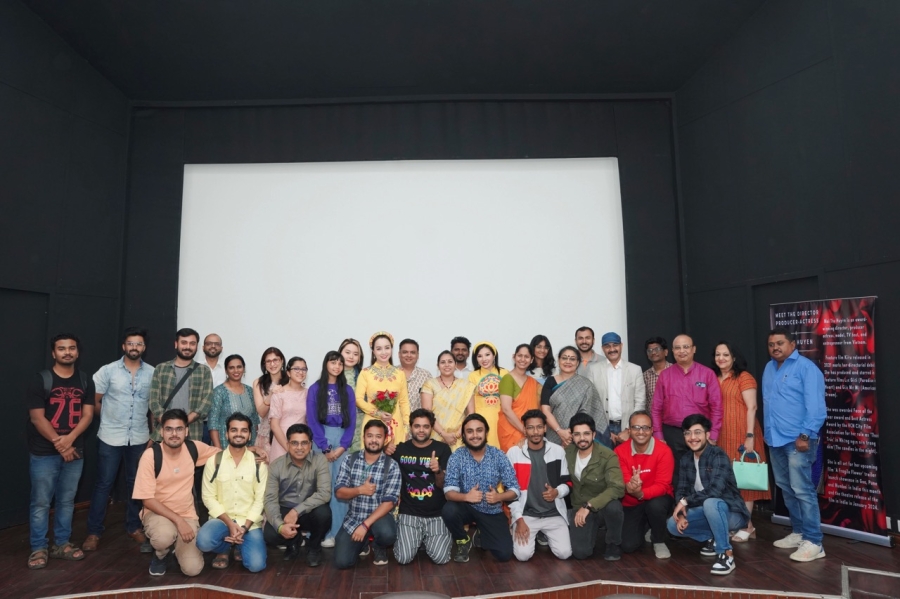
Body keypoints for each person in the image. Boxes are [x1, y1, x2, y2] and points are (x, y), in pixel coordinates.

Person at [26, 333, 96, 570]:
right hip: (44, 452)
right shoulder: (41, 380)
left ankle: (62, 543)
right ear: (53, 353)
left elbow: (88, 415)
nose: (68, 352)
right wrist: (60, 443)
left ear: (78, 352)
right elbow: (37, 418)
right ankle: (38, 547)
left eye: (72, 348)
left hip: (75, 451)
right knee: (41, 502)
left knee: (67, 501)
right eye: (62, 348)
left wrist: (70, 441)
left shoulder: (85, 380)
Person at [84, 327, 154, 553]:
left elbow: (154, 408)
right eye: (131, 343)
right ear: (124, 346)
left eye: (139, 343)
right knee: (104, 484)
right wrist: (108, 418)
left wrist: (153, 435)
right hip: (110, 436)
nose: (135, 347)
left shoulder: (152, 373)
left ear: (144, 347)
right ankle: (94, 532)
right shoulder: (108, 371)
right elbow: (94, 401)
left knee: (136, 484)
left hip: (139, 437)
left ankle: (134, 527)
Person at [763, 327, 827, 562]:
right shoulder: (769, 368)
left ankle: (814, 542)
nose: (775, 348)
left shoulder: (807, 368)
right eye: (771, 344)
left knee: (802, 489)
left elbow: (816, 407)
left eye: (780, 343)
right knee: (786, 487)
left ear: (792, 344)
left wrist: (806, 435)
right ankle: (799, 532)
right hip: (775, 439)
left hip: (798, 440)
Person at [132, 409, 220, 576]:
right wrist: (179, 521)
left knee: (193, 570)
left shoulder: (194, 448)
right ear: (161, 432)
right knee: (163, 537)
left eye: (179, 429)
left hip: (187, 515)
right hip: (157, 514)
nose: (174, 434)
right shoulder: (151, 456)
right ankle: (161, 554)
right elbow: (147, 500)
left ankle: (175, 547)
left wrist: (251, 450)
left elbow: (225, 455)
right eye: (169, 429)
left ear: (186, 431)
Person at [666, 414, 750, 576]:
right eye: (688, 433)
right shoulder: (685, 460)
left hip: (732, 513)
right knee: (672, 525)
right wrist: (682, 514)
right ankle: (713, 536)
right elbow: (681, 490)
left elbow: (715, 491)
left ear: (707, 434)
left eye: (697, 432)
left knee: (711, 502)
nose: (693, 437)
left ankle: (725, 554)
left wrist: (685, 501)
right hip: (705, 512)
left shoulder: (718, 455)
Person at [442, 413, 520, 563]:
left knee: (504, 554)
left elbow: (515, 490)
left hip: (491, 510)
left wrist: (499, 497)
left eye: (479, 430)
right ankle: (462, 540)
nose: (475, 435)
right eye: (470, 431)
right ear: (464, 435)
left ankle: (481, 532)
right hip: (466, 508)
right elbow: (448, 492)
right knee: (449, 510)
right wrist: (466, 497)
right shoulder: (457, 456)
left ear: (486, 433)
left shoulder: (499, 455)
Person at [711, 341, 769, 543]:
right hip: (722, 437)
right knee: (727, 483)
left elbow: (752, 407)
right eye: (717, 354)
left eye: (726, 355)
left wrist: (749, 436)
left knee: (745, 482)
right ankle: (736, 523)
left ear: (734, 357)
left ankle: (747, 525)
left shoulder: (744, 377)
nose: (721, 358)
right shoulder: (714, 378)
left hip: (743, 436)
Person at [197, 413, 268, 572]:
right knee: (204, 542)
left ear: (250, 435)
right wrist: (230, 524)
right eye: (234, 430)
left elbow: (260, 500)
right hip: (222, 520)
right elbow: (208, 497)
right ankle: (224, 548)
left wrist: (244, 527)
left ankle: (239, 545)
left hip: (249, 523)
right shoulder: (214, 461)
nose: (238, 434)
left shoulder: (258, 464)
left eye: (244, 430)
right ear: (227, 434)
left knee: (256, 566)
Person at [651, 334, 722, 480]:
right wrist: (658, 435)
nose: (682, 351)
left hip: (700, 433)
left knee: (702, 475)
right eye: (677, 348)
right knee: (675, 475)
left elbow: (717, 407)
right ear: (672, 351)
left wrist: (713, 434)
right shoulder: (665, 376)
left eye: (686, 347)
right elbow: (656, 408)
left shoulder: (707, 374)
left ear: (694, 349)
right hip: (672, 434)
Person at [333, 420, 402, 569]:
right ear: (363, 437)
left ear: (385, 439)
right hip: (354, 517)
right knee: (342, 562)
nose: (373, 440)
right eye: (370, 436)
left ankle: (378, 546)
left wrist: (365, 525)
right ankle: (363, 543)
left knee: (388, 534)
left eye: (378, 436)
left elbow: (390, 502)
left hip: (380, 517)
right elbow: (339, 492)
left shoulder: (392, 465)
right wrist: (360, 490)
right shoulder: (350, 459)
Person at [506, 409, 572, 561]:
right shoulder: (514, 453)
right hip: (526, 515)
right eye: (530, 428)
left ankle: (544, 534)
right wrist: (519, 519)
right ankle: (524, 531)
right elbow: (509, 492)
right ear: (524, 430)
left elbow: (567, 483)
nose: (535, 432)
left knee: (564, 554)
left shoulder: (557, 451)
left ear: (545, 428)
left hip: (554, 514)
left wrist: (557, 492)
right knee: (523, 556)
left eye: (539, 427)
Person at [306, 351, 356, 548]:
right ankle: (319, 532)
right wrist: (325, 447)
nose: (336, 366)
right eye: (333, 362)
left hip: (342, 438)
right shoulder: (315, 388)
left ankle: (335, 533)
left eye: (340, 363)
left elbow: (352, 421)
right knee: (321, 487)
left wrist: (343, 446)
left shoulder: (347, 390)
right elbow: (312, 419)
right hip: (321, 437)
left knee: (339, 488)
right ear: (326, 364)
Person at [264, 423, 332, 566]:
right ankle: (293, 542)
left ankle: (314, 547)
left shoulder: (320, 460)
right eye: (294, 443)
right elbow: (270, 500)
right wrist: (280, 526)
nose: (299, 448)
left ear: (310, 444)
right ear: (287, 444)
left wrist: (296, 511)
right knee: (270, 534)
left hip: (309, 510)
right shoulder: (276, 466)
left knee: (324, 514)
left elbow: (324, 493)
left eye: (304, 443)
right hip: (285, 509)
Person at [392, 409, 453, 565]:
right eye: (417, 426)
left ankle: (427, 539)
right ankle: (418, 538)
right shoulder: (400, 450)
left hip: (436, 514)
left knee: (441, 558)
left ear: (431, 428)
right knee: (403, 558)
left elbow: (444, 486)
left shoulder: (443, 449)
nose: (421, 430)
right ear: (411, 427)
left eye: (426, 426)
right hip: (409, 513)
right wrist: (386, 448)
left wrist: (437, 470)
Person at [614, 410, 674, 559]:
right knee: (628, 545)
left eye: (645, 427)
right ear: (629, 430)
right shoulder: (619, 452)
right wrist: (630, 486)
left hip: (657, 499)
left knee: (655, 506)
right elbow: (623, 480)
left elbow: (663, 485)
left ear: (652, 430)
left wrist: (641, 493)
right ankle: (648, 525)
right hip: (631, 502)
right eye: (636, 427)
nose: (641, 432)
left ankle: (658, 540)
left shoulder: (664, 451)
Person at [565, 412, 625, 560]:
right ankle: (591, 532)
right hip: (579, 508)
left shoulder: (608, 455)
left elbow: (617, 488)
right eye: (577, 434)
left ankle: (613, 543)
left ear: (593, 434)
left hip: (602, 507)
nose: (582, 438)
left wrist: (589, 505)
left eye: (586, 433)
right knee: (581, 553)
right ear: (572, 436)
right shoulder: (567, 453)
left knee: (614, 506)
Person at [148, 328, 213, 442]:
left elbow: (206, 402)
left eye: (192, 343)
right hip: (163, 433)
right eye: (184, 342)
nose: (188, 347)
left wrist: (182, 422)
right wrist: (169, 423)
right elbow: (153, 400)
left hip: (193, 433)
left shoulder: (204, 371)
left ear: (197, 347)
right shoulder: (161, 369)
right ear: (176, 344)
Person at [541, 346, 608, 447]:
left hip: (578, 436)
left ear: (577, 363)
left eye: (572, 359)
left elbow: (587, 411)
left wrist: (571, 433)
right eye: (564, 358)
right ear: (559, 360)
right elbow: (545, 410)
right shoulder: (550, 381)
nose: (568, 362)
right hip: (554, 433)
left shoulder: (586, 384)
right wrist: (560, 431)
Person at [587, 332, 646, 445]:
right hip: (602, 429)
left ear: (621, 346)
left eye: (615, 345)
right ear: (602, 349)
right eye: (607, 346)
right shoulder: (593, 370)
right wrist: (604, 430)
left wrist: (629, 429)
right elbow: (590, 402)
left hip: (628, 428)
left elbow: (640, 402)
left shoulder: (635, 370)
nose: (612, 349)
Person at [355, 331, 410, 452]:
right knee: (372, 458)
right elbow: (358, 400)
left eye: (387, 348)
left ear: (392, 349)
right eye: (379, 349)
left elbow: (404, 401)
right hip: (373, 423)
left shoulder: (400, 373)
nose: (384, 352)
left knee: (396, 459)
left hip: (396, 424)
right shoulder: (365, 373)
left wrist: (407, 427)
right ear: (373, 351)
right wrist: (378, 413)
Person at [421, 350, 475, 450]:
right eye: (443, 362)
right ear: (438, 366)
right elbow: (427, 413)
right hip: (435, 435)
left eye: (450, 362)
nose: (447, 365)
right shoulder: (429, 384)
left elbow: (471, 413)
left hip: (459, 437)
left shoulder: (466, 386)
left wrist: (458, 433)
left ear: (455, 364)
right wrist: (443, 434)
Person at [208, 355, 258, 449]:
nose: (236, 370)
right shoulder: (219, 392)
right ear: (226, 371)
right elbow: (213, 423)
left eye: (239, 367)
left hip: (248, 444)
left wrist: (254, 445)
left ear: (244, 369)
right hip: (225, 443)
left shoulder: (250, 391)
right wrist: (218, 449)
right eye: (231, 368)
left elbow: (254, 420)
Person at [498, 344, 541, 452]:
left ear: (531, 359)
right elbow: (506, 409)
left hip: (530, 430)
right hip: (510, 429)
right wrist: (524, 430)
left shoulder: (533, 382)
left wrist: (530, 430)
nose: (522, 359)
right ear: (514, 357)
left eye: (526, 357)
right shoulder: (507, 379)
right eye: (520, 355)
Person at [467, 341, 509, 448]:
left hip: (502, 418)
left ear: (494, 355)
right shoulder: (473, 376)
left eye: (487, 354)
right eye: (480, 356)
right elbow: (470, 402)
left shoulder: (505, 373)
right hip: (481, 419)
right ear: (476, 359)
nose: (484, 359)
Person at [252, 347, 290, 460]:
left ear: (282, 361)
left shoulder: (291, 379)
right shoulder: (258, 383)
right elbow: (261, 412)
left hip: (286, 432)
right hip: (266, 435)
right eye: (268, 361)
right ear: (264, 364)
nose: (272, 364)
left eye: (275, 360)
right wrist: (271, 395)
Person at [269, 356, 308, 463]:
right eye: (296, 369)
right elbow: (274, 425)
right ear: (288, 372)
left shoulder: (309, 393)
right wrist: (288, 447)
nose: (301, 372)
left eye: (304, 369)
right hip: (281, 442)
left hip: (301, 445)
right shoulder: (279, 393)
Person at [339, 337, 365, 452]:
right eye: (347, 352)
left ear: (359, 358)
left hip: (359, 426)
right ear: (340, 353)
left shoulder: (364, 375)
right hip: (339, 425)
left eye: (355, 354)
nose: (351, 357)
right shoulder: (331, 374)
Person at [201, 333, 225, 445]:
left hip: (222, 423)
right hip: (201, 423)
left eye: (216, 344)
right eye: (209, 343)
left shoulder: (227, 369)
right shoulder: (196, 368)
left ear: (221, 348)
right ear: (203, 347)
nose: (213, 346)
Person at [398, 338, 431, 413]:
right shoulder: (390, 373)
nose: (409, 355)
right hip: (394, 419)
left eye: (412, 352)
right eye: (405, 352)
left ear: (417, 355)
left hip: (418, 420)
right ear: (399, 354)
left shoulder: (426, 376)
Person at [642, 337, 672, 411]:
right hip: (652, 417)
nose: (653, 353)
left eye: (657, 349)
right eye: (649, 350)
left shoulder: (675, 371)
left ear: (665, 352)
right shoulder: (645, 376)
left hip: (673, 417)